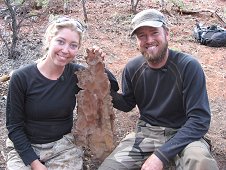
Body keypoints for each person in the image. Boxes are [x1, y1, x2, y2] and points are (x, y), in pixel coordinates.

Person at [99, 9, 219, 170]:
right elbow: (127, 104)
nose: (149, 40)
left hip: (184, 135)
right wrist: (100, 78)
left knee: (201, 163)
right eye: (142, 35)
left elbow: (199, 120)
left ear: (167, 34)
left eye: (154, 33)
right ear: (137, 40)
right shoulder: (132, 68)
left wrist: (161, 156)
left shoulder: (188, 66)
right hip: (146, 134)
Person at [5, 16, 119, 170]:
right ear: (49, 40)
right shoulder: (22, 77)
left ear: (78, 48)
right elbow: (14, 127)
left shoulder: (76, 74)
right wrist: (35, 163)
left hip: (62, 146)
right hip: (25, 146)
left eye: (73, 45)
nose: (65, 50)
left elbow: (111, 86)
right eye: (60, 41)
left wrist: (98, 65)